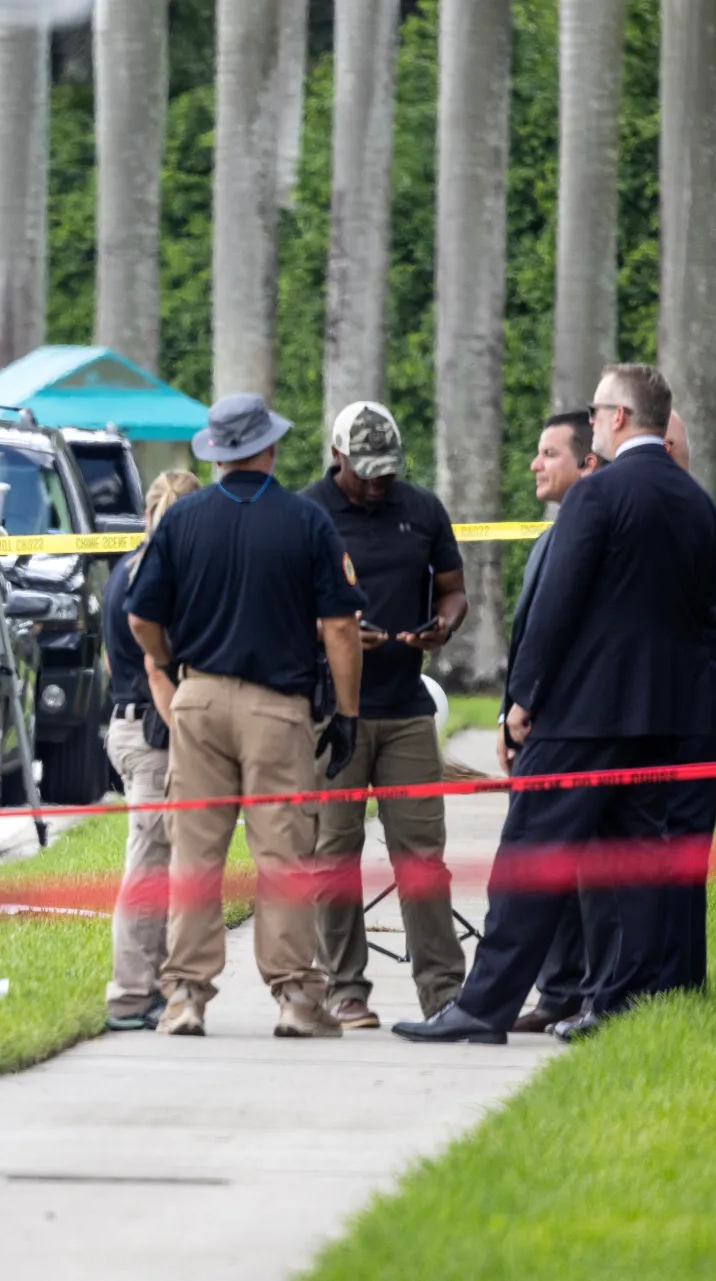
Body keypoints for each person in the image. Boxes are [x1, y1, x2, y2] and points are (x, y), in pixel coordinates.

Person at [394, 364, 716, 1046]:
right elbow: (712, 611)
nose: (595, 419)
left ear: (619, 419)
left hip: (582, 716)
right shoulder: (697, 503)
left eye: (600, 409)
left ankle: (483, 1006)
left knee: (530, 857)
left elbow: (556, 606)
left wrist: (523, 699)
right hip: (660, 718)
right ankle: (617, 1001)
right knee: (637, 863)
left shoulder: (599, 494)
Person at [127, 393, 366, 1039]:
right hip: (278, 708)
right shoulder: (308, 521)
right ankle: (295, 998)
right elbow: (341, 627)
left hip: (197, 701)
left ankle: (183, 997)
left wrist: (176, 666)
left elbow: (140, 615)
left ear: (217, 452)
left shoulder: (182, 520)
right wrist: (346, 713)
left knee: (194, 858)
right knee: (283, 855)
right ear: (270, 446)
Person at [302, 402, 469, 1029]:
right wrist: (335, 637)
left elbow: (453, 588)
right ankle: (345, 987)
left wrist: (443, 626)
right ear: (338, 457)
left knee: (422, 855)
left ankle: (444, 991)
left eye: (387, 472)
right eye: (365, 471)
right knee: (333, 854)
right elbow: (288, 602)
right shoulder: (309, 512)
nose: (378, 483)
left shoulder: (421, 509)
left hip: (404, 709)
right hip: (336, 714)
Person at [507, 408, 611, 1034]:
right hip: (534, 725)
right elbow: (529, 634)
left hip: (575, 728)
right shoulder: (551, 535)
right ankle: (558, 990)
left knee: (585, 869)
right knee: (551, 870)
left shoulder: (595, 538)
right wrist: (507, 713)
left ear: (587, 462)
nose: (535, 464)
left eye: (549, 454)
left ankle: (590, 991)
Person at [100, 468, 201, 1032]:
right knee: (150, 867)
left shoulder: (127, 569)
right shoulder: (157, 579)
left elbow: (115, 664)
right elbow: (149, 663)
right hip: (155, 732)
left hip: (129, 724)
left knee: (156, 864)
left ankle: (150, 988)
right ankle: (132, 995)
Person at [655, 410, 716, 994]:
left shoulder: (673, 514)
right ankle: (683, 978)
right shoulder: (697, 509)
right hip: (700, 702)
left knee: (674, 849)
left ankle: (674, 979)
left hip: (680, 709)